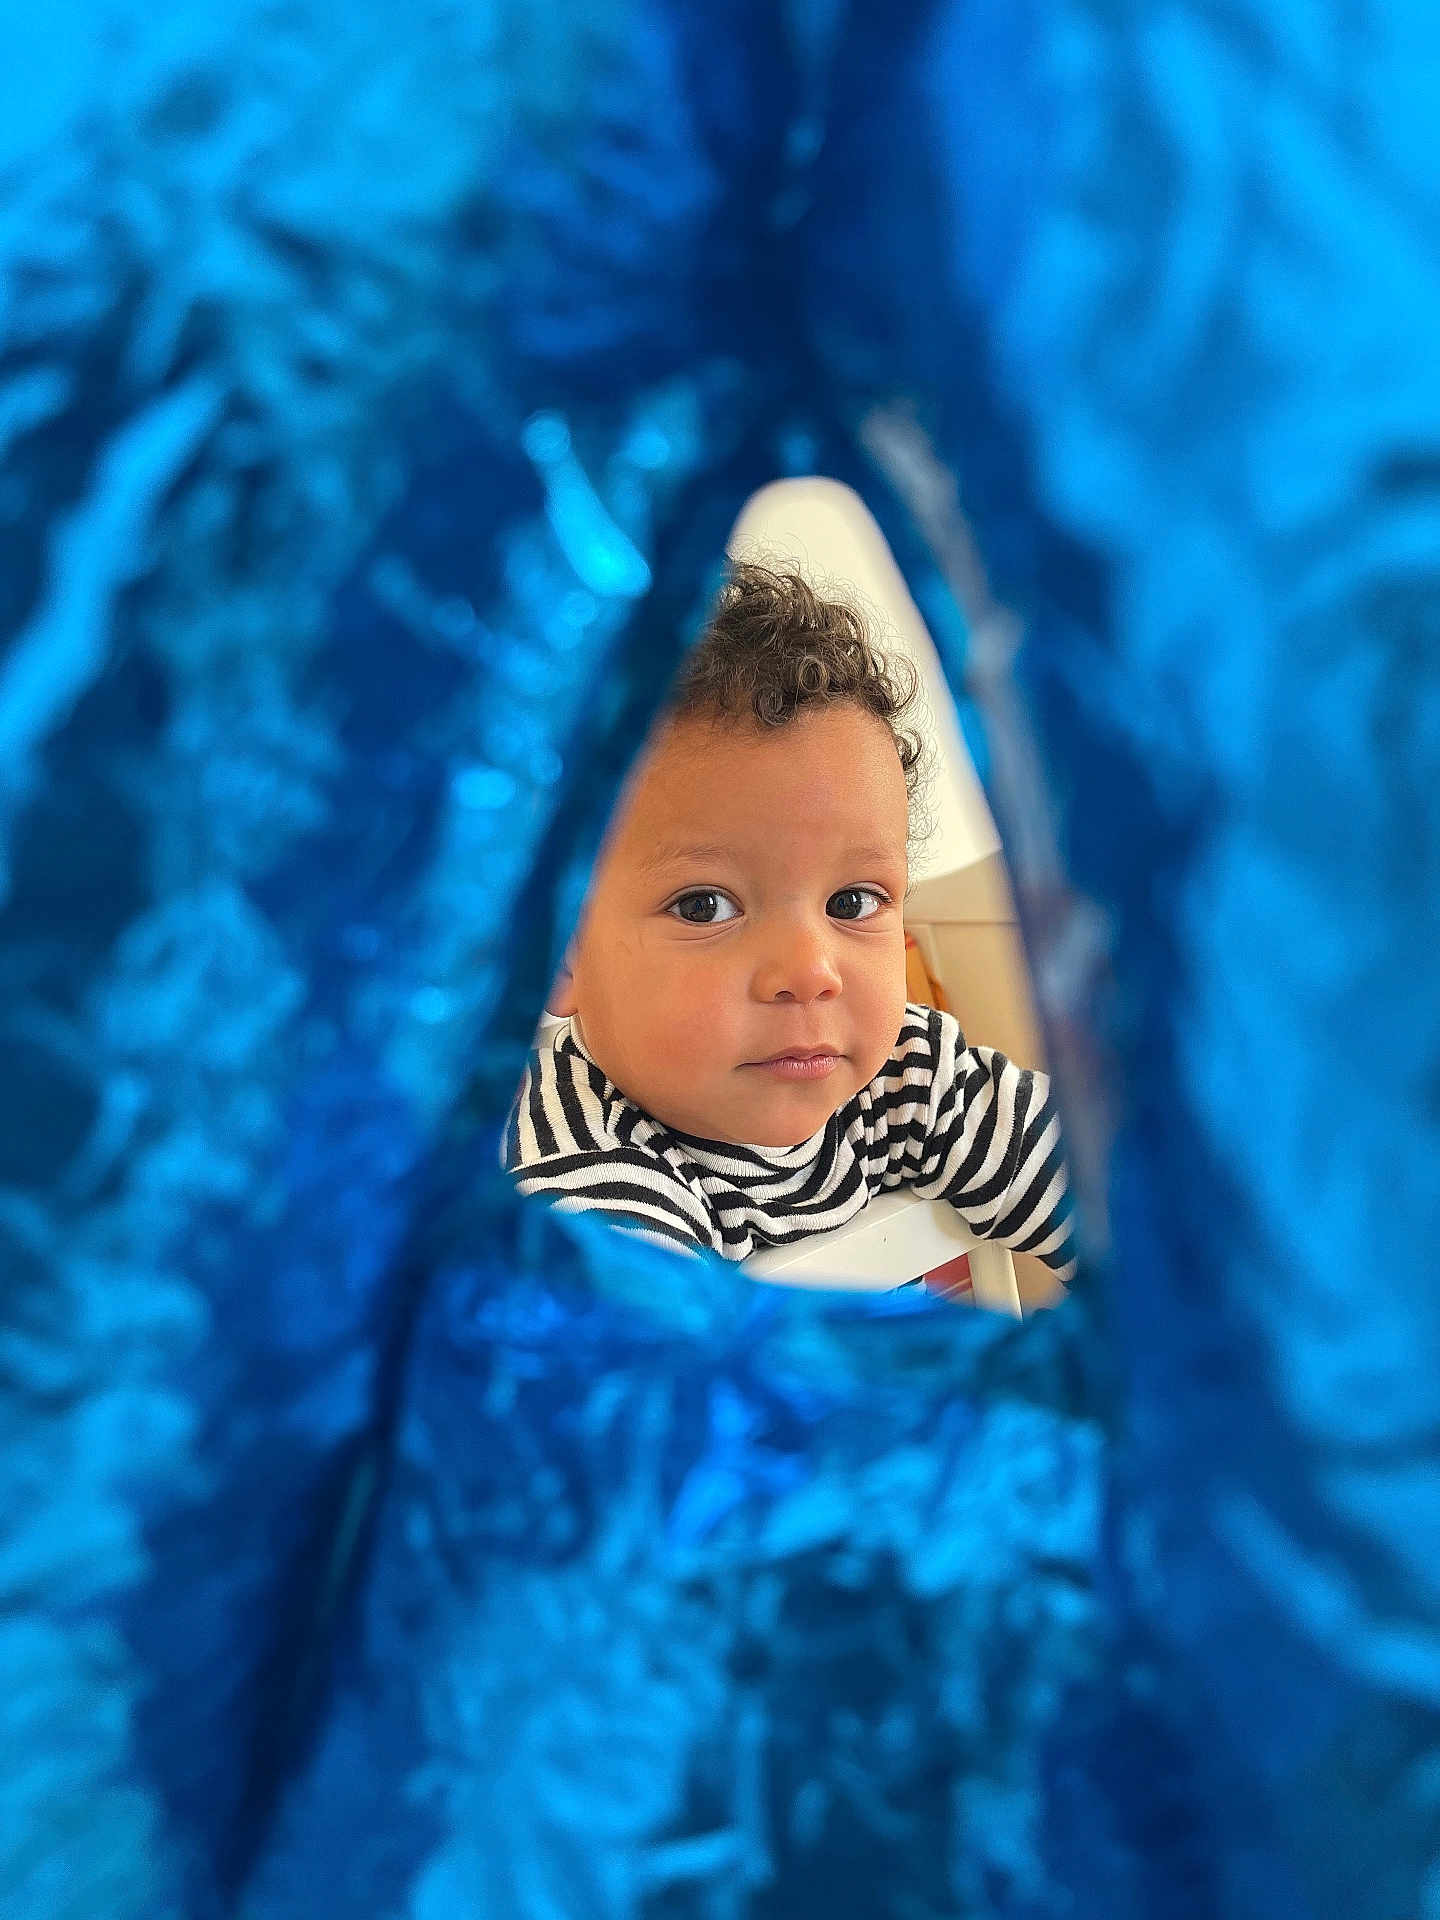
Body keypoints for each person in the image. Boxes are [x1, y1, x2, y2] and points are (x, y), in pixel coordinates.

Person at [504, 563, 1075, 1286]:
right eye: (704, 906)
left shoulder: (908, 1072)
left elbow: (1128, 1213)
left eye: (852, 902)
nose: (811, 971)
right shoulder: (585, 1175)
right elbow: (647, 1372)